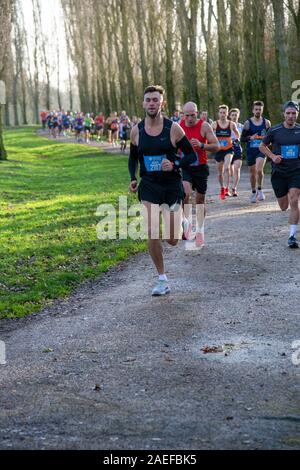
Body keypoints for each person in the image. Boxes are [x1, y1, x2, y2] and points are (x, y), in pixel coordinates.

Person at [128, 85, 197, 296]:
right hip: (149, 185)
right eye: (148, 99)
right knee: (151, 230)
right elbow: (133, 158)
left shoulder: (173, 129)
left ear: (162, 103)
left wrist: (175, 164)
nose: (151, 103)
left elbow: (191, 155)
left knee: (172, 239)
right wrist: (133, 178)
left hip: (170, 186)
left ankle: (183, 223)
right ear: (143, 103)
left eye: (155, 100)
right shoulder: (136, 131)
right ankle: (162, 279)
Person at [259, 100, 300, 248]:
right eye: (288, 113)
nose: (291, 116)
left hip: (296, 171)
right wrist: (273, 157)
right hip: (279, 172)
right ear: (283, 114)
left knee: (295, 200)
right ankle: (285, 202)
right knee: (284, 206)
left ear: (297, 114)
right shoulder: (275, 131)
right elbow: (262, 146)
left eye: (293, 113)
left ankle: (292, 236)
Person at [179, 101, 219, 246]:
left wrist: (202, 145)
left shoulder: (204, 126)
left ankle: (200, 230)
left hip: (201, 167)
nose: (190, 119)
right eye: (187, 115)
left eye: (193, 115)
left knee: (200, 201)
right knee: (185, 192)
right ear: (183, 115)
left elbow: (217, 146)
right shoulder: (178, 126)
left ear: (197, 113)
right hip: (186, 167)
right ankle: (187, 226)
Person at [241, 101, 271, 203]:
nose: (258, 111)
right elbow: (242, 139)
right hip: (251, 150)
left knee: (259, 170)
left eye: (260, 109)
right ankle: (254, 192)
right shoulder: (248, 123)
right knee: (252, 173)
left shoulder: (266, 123)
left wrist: (268, 142)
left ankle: (260, 190)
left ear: (262, 110)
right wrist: (250, 137)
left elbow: (270, 137)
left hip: (261, 150)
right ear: (253, 110)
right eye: (256, 109)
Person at [212, 105, 240, 199]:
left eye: (224, 112)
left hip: (229, 149)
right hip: (218, 149)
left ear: (227, 113)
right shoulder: (214, 124)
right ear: (218, 113)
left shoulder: (231, 124)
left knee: (227, 168)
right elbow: (210, 135)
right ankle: (222, 188)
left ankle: (227, 189)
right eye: (221, 112)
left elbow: (237, 134)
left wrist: (235, 140)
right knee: (220, 173)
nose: (223, 114)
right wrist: (212, 142)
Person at [229, 108, 244, 196]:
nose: (234, 117)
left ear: (238, 116)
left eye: (236, 115)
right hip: (228, 149)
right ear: (230, 116)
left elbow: (245, 136)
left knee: (237, 169)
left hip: (238, 148)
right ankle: (230, 183)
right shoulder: (226, 125)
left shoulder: (241, 126)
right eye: (233, 115)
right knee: (229, 170)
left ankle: (234, 188)